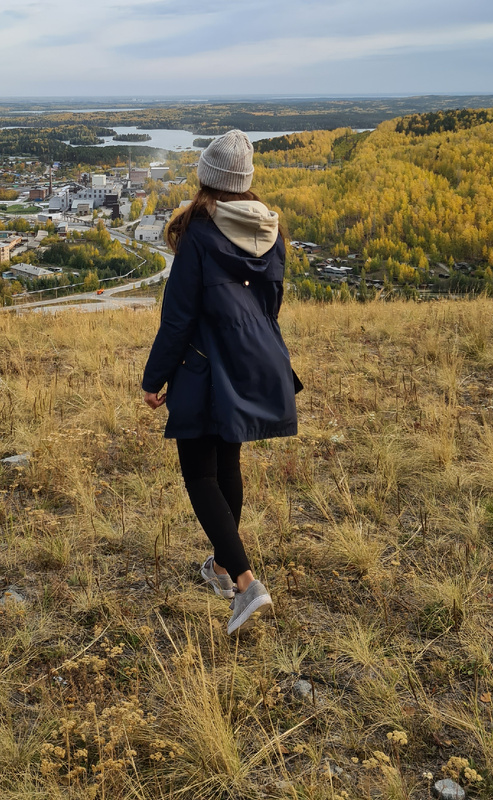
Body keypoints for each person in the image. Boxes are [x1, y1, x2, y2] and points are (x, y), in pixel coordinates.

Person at [141, 129, 302, 634]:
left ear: (208, 179)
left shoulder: (200, 235)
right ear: (245, 182)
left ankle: (246, 583)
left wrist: (155, 378)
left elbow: (178, 317)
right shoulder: (272, 230)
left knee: (200, 473)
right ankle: (218, 568)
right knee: (226, 461)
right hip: (252, 361)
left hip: (204, 365)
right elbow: (269, 307)